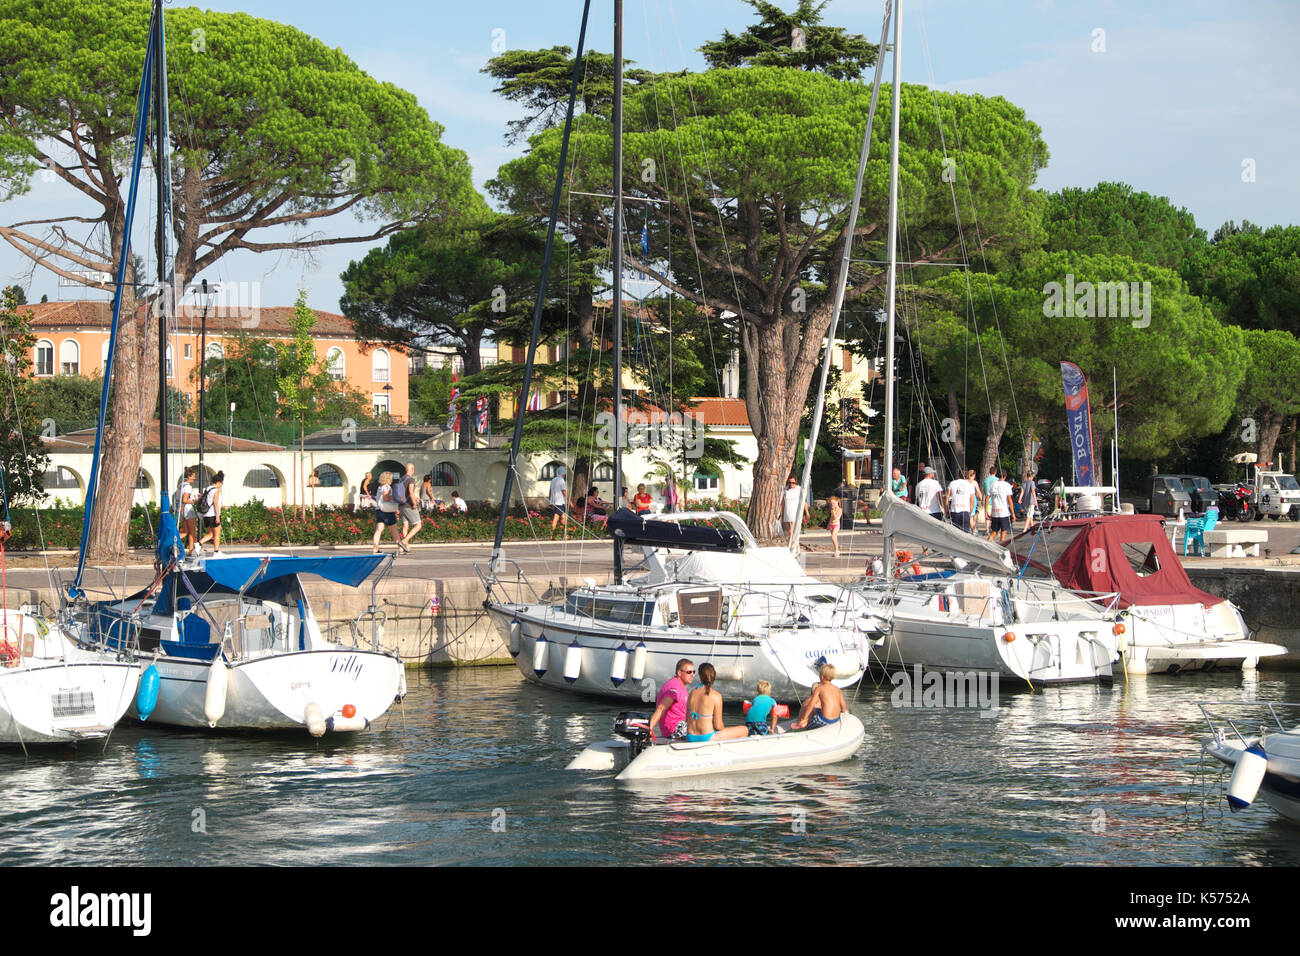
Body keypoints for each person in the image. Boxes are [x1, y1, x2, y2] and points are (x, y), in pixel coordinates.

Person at [683, 663, 749, 742]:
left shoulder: (692, 692)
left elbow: (687, 719)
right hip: (706, 737)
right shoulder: (716, 696)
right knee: (744, 730)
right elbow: (718, 726)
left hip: (690, 736)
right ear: (714, 676)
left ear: (700, 676)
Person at [647, 658, 695, 740]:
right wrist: (650, 729)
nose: (692, 675)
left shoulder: (680, 685)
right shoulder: (674, 688)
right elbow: (661, 708)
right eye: (689, 672)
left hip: (682, 725)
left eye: (694, 672)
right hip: (674, 730)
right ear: (679, 673)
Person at [791, 663, 847, 730]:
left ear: (822, 677)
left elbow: (811, 705)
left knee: (813, 709)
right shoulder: (837, 689)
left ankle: (803, 724)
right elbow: (844, 708)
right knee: (817, 710)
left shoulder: (819, 689)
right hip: (836, 719)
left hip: (824, 721)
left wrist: (804, 718)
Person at [371, 471, 403, 552]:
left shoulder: (380, 487)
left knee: (379, 529)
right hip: (387, 511)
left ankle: (375, 548)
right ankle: (400, 547)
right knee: (394, 530)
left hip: (379, 510)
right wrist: (395, 496)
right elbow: (386, 498)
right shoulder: (387, 487)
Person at [197, 471, 225, 556]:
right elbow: (215, 503)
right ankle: (216, 551)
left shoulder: (207, 488)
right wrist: (217, 516)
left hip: (206, 515)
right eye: (221, 483)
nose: (222, 485)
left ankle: (198, 544)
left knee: (210, 534)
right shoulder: (215, 490)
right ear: (219, 482)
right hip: (213, 514)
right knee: (217, 534)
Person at [396, 462, 421, 552]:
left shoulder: (401, 479)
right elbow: (411, 492)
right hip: (408, 505)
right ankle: (404, 541)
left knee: (405, 525)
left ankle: (404, 547)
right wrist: (414, 503)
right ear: (412, 470)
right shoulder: (411, 480)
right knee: (418, 525)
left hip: (401, 505)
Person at [987, 468, 1015, 544]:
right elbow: (1010, 501)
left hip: (995, 512)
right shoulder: (1007, 485)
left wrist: (986, 512)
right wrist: (1013, 513)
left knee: (994, 532)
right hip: (1004, 513)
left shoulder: (993, 485)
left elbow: (987, 498)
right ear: (1005, 476)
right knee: (1003, 532)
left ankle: (986, 544)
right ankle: (1001, 547)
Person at [177, 467, 200, 556]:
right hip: (187, 509)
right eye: (193, 476)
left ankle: (173, 541)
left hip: (181, 509)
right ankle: (191, 550)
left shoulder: (180, 486)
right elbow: (185, 499)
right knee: (192, 531)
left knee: (185, 532)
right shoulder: (188, 487)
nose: (194, 478)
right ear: (189, 476)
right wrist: (194, 501)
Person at [946, 469, 977, 533]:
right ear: (967, 475)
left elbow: (947, 497)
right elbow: (972, 501)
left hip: (954, 511)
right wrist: (970, 512)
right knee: (965, 533)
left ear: (958, 474)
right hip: (965, 511)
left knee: (955, 533)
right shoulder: (970, 485)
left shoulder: (952, 483)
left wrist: (946, 511)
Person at [782, 476, 807, 544]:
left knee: (791, 530)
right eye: (790, 482)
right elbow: (783, 501)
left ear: (796, 482)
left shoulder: (799, 489)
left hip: (795, 511)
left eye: (793, 483)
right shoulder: (786, 489)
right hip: (787, 510)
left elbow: (803, 501)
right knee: (790, 531)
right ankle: (797, 547)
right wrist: (779, 511)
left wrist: (806, 511)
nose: (791, 484)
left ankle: (789, 546)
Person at [548, 465, 570, 537]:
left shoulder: (553, 480)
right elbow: (564, 491)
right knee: (562, 518)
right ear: (563, 473)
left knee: (557, 518)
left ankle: (553, 534)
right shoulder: (561, 480)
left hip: (554, 502)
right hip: (559, 502)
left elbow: (550, 491)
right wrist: (570, 501)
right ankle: (564, 534)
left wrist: (550, 502)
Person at [827, 493, 842, 558]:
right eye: (831, 503)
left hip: (836, 524)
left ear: (837, 502)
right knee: (834, 538)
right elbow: (831, 518)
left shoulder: (839, 510)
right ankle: (836, 550)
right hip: (832, 524)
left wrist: (833, 512)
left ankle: (837, 550)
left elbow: (836, 517)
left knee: (833, 536)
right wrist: (828, 524)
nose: (832, 505)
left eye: (833, 503)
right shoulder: (832, 510)